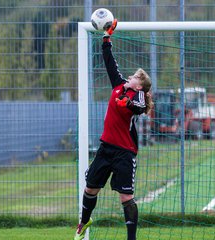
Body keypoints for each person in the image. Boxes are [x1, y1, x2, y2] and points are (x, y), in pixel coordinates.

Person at [74, 19, 154, 240]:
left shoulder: (136, 95)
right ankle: (83, 222)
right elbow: (110, 62)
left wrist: (125, 103)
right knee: (90, 189)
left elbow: (138, 107)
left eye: (135, 77)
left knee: (126, 197)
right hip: (106, 148)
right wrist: (107, 37)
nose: (130, 77)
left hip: (124, 153)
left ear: (139, 85)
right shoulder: (119, 85)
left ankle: (131, 238)